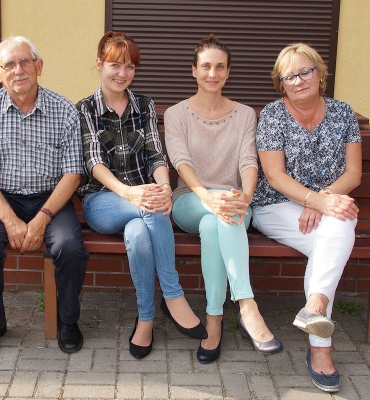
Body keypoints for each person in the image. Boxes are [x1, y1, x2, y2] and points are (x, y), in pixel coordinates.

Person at [76, 31, 207, 360]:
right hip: (102, 202)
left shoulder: (144, 105)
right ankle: (173, 294)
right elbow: (93, 161)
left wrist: (164, 188)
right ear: (99, 64)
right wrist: (131, 194)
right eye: (115, 65)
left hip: (143, 206)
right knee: (149, 205)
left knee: (138, 232)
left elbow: (156, 156)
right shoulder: (85, 108)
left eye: (130, 67)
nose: (122, 73)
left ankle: (146, 319)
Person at [164, 34, 283, 364]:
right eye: (205, 67)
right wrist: (208, 197)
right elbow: (180, 160)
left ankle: (214, 319)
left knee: (216, 224)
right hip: (191, 200)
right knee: (215, 214)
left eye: (219, 67)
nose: (212, 74)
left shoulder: (245, 115)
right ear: (194, 70)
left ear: (228, 72)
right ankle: (246, 304)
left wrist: (245, 196)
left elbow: (248, 160)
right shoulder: (177, 114)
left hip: (233, 204)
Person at [251, 43, 362, 392]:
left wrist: (322, 201)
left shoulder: (343, 113)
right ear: (281, 83)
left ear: (320, 73)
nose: (298, 81)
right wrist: (318, 200)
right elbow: (275, 176)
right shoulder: (272, 114)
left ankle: (316, 311)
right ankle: (321, 340)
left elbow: (354, 173)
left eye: (305, 71)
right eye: (289, 76)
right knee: (339, 228)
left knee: (336, 228)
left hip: (324, 207)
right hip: (275, 206)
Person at [0, 36, 88, 358]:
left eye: (25, 62)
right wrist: (9, 219)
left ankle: (68, 321)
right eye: (9, 64)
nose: (18, 70)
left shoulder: (63, 109)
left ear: (39, 66)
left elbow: (72, 173)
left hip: (51, 199)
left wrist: (41, 220)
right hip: (3, 198)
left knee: (69, 247)